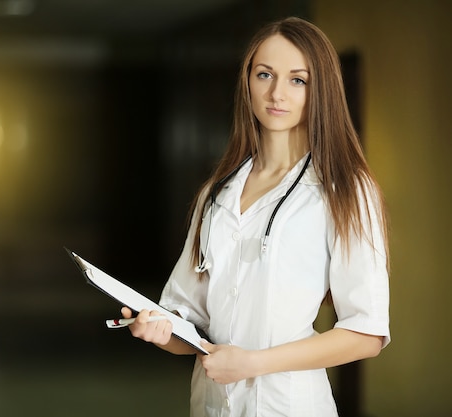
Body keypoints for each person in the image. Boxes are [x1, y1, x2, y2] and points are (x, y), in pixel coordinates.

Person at [120, 16, 390, 417]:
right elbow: (187, 320)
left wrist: (252, 364)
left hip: (290, 406)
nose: (277, 93)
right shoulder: (216, 193)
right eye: (265, 74)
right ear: (247, 81)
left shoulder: (345, 190)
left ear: (322, 91)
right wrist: (158, 329)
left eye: (298, 80)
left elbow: (366, 333)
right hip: (211, 404)